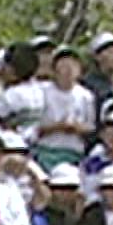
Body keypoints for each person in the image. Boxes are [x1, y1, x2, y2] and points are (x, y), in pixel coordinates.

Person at [34, 43, 96, 172]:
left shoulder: (86, 95)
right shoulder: (41, 91)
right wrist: (57, 127)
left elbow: (90, 127)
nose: (68, 70)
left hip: (73, 151)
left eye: (73, 65)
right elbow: (33, 127)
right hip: (46, 149)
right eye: (63, 65)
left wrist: (76, 128)